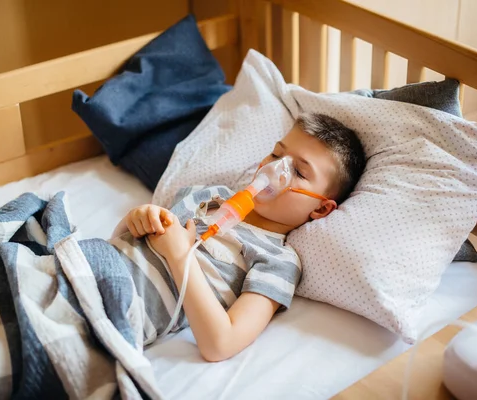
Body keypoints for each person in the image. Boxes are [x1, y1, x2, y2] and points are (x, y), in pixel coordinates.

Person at [111, 112, 366, 362]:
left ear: (321, 208)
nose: (275, 169)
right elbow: (123, 245)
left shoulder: (278, 261)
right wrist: (136, 218)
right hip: (89, 260)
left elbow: (221, 344)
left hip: (112, 309)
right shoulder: (207, 195)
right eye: (277, 154)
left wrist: (179, 257)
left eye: (298, 172)